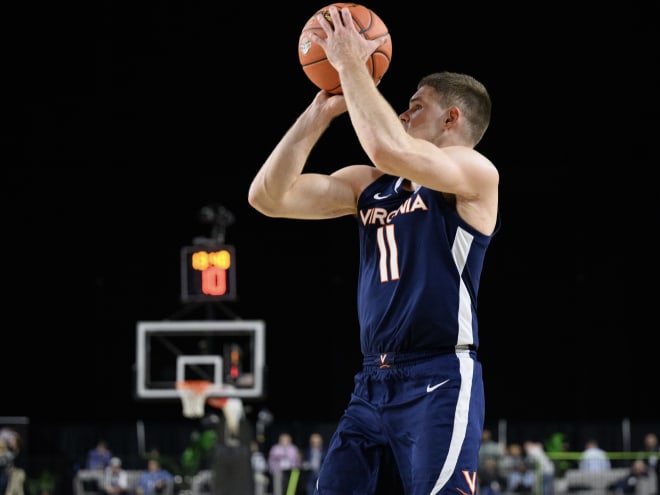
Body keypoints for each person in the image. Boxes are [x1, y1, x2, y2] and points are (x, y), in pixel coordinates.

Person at [248, 4, 499, 494]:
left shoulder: (475, 173)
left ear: (452, 118)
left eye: (417, 105)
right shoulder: (371, 186)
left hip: (440, 375)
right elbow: (268, 197)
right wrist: (317, 113)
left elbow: (386, 146)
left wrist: (350, 66)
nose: (404, 112)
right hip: (372, 383)